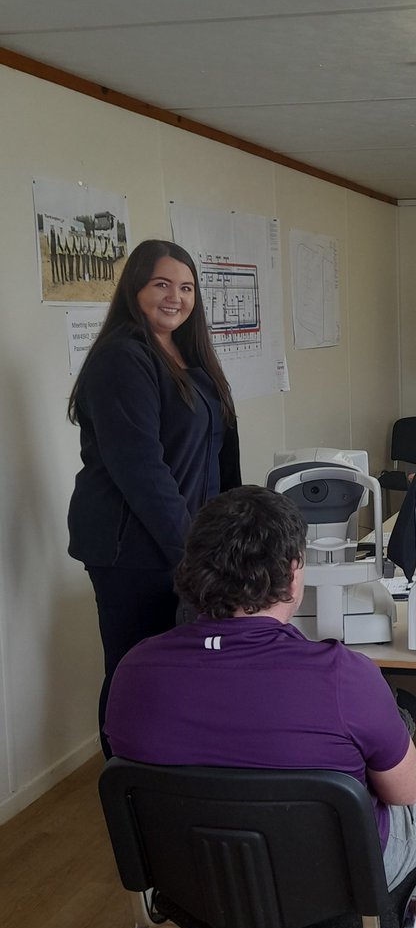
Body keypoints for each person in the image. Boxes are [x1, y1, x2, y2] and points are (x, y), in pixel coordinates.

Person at [104, 485, 416, 928]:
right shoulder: (344, 675)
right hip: (336, 894)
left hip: (192, 888)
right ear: (295, 575)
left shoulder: (132, 671)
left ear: (192, 570)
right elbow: (405, 792)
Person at [67, 238, 241, 755]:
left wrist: (231, 535)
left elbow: (216, 453)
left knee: (184, 668)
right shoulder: (123, 357)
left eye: (186, 288)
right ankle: (126, 777)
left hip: (187, 543)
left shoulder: (190, 355)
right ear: (134, 289)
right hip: (133, 550)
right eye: (161, 284)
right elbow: (142, 471)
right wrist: (192, 553)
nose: (175, 297)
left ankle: (170, 773)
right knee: (133, 669)